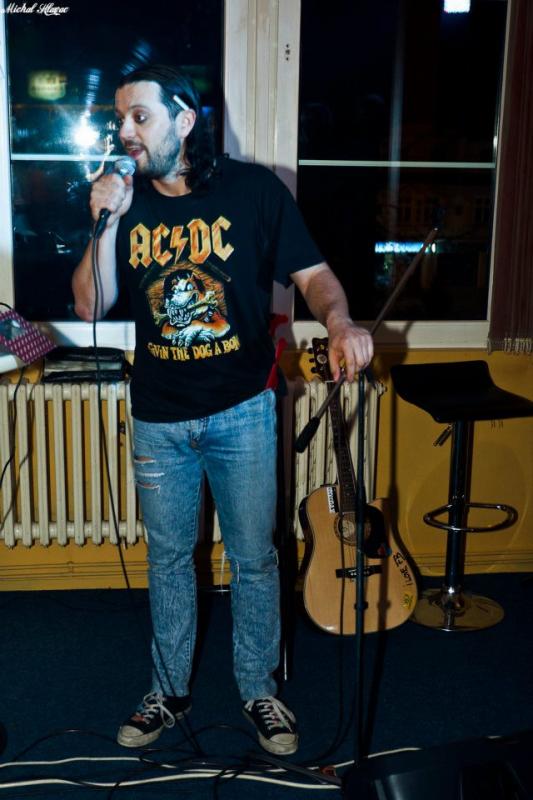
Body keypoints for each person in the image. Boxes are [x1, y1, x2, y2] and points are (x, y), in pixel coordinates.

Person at [72, 64, 373, 756]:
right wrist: (103, 223)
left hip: (242, 411)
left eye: (140, 117)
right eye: (120, 119)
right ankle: (167, 689)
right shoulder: (125, 203)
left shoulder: (253, 190)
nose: (125, 132)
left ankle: (258, 688)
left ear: (183, 121)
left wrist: (338, 321)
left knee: (254, 558)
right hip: (158, 416)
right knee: (169, 559)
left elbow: (313, 275)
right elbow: (90, 305)